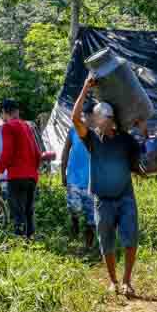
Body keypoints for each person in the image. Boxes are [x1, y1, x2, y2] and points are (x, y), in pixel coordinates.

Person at [72, 76, 147, 296]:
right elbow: (75, 118)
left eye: (97, 118)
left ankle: (127, 281)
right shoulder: (92, 139)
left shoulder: (126, 140)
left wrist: (144, 133)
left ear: (109, 119)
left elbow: (142, 161)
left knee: (130, 238)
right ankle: (113, 281)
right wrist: (85, 87)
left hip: (125, 198)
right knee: (106, 242)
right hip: (102, 200)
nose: (94, 121)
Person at [0, 99, 41, 238]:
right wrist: (34, 169)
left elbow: (7, 152)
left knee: (18, 211)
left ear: (3, 112)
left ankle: (20, 241)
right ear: (16, 111)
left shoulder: (8, 127)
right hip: (31, 176)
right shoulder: (26, 126)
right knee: (28, 210)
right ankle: (30, 238)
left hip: (17, 176)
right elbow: (37, 152)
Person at [61, 100, 96, 250]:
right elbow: (65, 152)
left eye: (92, 116)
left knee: (91, 216)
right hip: (74, 179)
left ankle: (88, 246)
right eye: (86, 116)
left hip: (92, 182)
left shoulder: (99, 134)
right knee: (74, 209)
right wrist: (63, 173)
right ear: (83, 116)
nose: (89, 119)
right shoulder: (73, 131)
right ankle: (74, 226)